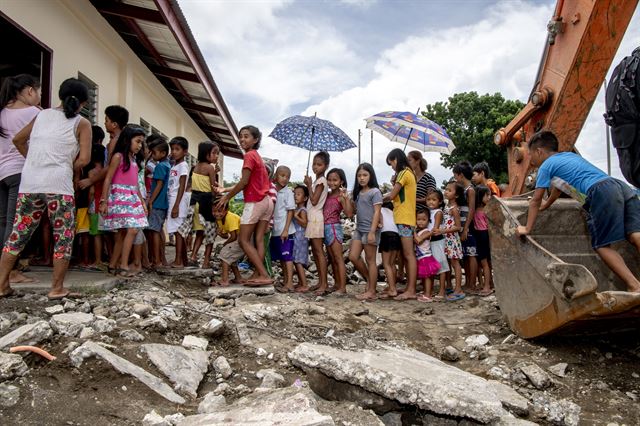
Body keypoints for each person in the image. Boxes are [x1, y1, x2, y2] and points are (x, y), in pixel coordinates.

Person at [0, 77, 91, 299]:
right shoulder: (82, 123)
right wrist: (67, 164)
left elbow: (18, 141)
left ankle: (2, 286)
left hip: (30, 183)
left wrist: (34, 161)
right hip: (58, 185)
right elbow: (85, 159)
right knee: (63, 235)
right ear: (83, 103)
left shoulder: (41, 114)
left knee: (17, 235)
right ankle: (57, 288)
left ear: (60, 96)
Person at [516, 130, 640, 293]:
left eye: (530, 155)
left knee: (602, 245)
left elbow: (535, 199)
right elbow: (558, 189)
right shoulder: (569, 157)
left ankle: (634, 285)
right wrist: (547, 206)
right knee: (635, 235)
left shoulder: (546, 165)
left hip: (601, 191)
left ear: (539, 151)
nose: (530, 160)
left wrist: (527, 228)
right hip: (620, 187)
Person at [216, 125, 274, 285]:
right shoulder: (257, 156)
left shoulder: (249, 155)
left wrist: (227, 196)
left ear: (255, 140)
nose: (242, 139)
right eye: (241, 136)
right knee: (259, 239)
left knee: (243, 240)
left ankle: (263, 274)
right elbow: (249, 182)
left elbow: (244, 182)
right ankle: (258, 273)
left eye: (246, 136)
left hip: (256, 202)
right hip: (267, 201)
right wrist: (226, 188)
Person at [0, 74, 41, 284]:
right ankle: (11, 272)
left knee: (3, 223)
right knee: (17, 224)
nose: (40, 96)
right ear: (30, 91)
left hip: (2, 173)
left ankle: (4, 270)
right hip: (20, 172)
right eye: (39, 91)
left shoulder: (2, 111)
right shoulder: (34, 113)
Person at [99, 125, 148, 277]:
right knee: (132, 229)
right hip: (119, 197)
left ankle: (113, 264)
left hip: (132, 197)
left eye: (141, 143)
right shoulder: (118, 157)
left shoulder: (133, 159)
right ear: (127, 140)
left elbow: (135, 184)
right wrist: (104, 200)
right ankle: (124, 265)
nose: (140, 146)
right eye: (137, 141)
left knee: (122, 233)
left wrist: (142, 202)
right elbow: (108, 179)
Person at [177, 141, 220, 269]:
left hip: (194, 203)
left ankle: (193, 256)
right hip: (206, 203)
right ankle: (206, 261)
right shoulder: (210, 168)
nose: (216, 156)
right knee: (210, 233)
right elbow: (213, 188)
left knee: (200, 232)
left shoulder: (195, 167)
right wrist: (215, 174)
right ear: (206, 154)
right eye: (214, 153)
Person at [383, 149, 417, 300]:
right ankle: (409, 287)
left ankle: (411, 290)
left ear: (396, 159)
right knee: (406, 255)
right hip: (405, 218)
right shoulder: (409, 173)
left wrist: (376, 198)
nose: (391, 167)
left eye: (391, 163)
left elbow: (392, 195)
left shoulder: (403, 173)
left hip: (404, 218)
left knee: (409, 255)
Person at [349, 163, 383, 301]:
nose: (362, 178)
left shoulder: (375, 192)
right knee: (353, 256)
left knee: (371, 261)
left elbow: (377, 212)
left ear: (371, 176)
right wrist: (346, 199)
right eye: (359, 176)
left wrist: (372, 232)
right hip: (359, 228)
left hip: (370, 230)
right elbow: (353, 211)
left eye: (365, 175)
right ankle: (369, 279)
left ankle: (372, 291)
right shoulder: (358, 193)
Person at [303, 151, 330, 294]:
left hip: (316, 218)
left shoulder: (321, 181)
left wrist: (308, 185)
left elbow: (313, 201)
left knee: (319, 252)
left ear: (325, 166)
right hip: (313, 217)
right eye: (314, 164)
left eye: (319, 164)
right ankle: (320, 282)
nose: (315, 167)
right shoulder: (317, 181)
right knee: (315, 251)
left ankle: (324, 284)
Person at [322, 168, 352, 295]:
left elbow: (349, 213)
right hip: (325, 228)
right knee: (331, 258)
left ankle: (343, 288)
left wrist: (345, 198)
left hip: (334, 228)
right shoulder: (327, 194)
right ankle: (337, 284)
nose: (331, 182)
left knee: (338, 258)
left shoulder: (341, 196)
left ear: (341, 182)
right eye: (329, 180)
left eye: (335, 180)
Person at [453, 161, 478, 293]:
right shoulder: (464, 190)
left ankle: (472, 284)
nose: (455, 178)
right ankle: (468, 282)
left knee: (471, 254)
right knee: (466, 255)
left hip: (468, 227)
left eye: (455, 175)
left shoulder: (471, 190)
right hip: (462, 227)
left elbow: (471, 210)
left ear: (461, 175)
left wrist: (466, 228)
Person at [271, 166, 296, 292]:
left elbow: (291, 211)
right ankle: (286, 281)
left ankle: (290, 283)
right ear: (276, 175)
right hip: (275, 229)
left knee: (287, 257)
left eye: (287, 177)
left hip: (285, 230)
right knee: (281, 258)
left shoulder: (288, 192)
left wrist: (286, 229)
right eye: (282, 175)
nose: (284, 179)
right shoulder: (272, 190)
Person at [146, 141, 170, 267]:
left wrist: (151, 200)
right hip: (163, 203)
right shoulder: (168, 165)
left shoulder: (160, 166)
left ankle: (157, 260)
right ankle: (161, 259)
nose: (152, 155)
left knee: (154, 231)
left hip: (157, 202)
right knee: (159, 230)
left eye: (154, 152)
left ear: (163, 153)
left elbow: (159, 184)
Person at [440, 181, 465, 301]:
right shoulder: (447, 207)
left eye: (449, 190)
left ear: (456, 195)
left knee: (456, 264)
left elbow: (458, 227)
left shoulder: (454, 209)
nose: (446, 191)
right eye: (446, 189)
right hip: (447, 239)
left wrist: (443, 231)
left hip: (452, 240)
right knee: (450, 263)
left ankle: (458, 289)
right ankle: (451, 286)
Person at [167, 137, 190, 268]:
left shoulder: (183, 166)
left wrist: (176, 205)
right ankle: (183, 260)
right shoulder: (175, 165)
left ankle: (178, 260)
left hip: (178, 200)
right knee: (177, 230)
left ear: (185, 151)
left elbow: (182, 185)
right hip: (173, 198)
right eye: (172, 149)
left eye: (177, 149)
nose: (174, 152)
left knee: (178, 231)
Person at [425, 189, 450, 299]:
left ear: (439, 202)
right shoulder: (429, 211)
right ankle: (431, 290)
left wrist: (422, 236)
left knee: (441, 266)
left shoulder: (438, 212)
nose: (431, 202)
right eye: (429, 199)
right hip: (430, 241)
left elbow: (435, 229)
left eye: (434, 200)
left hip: (437, 241)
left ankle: (442, 290)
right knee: (433, 265)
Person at [212, 203, 243, 286]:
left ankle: (225, 280)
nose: (216, 213)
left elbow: (234, 236)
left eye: (219, 211)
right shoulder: (219, 219)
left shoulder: (230, 217)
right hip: (238, 239)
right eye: (214, 211)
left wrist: (225, 244)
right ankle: (238, 278)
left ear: (226, 211)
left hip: (243, 239)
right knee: (230, 256)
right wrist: (219, 233)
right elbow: (226, 235)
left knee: (224, 255)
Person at [415, 210, 441, 302]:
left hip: (426, 257)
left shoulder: (426, 231)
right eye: (418, 219)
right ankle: (426, 292)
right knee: (425, 277)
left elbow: (418, 241)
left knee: (427, 277)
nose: (421, 221)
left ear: (428, 221)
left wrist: (412, 231)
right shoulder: (421, 231)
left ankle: (428, 295)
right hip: (422, 257)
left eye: (423, 219)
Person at [87, 143, 106, 268]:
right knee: (107, 234)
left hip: (95, 205)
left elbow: (92, 192)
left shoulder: (92, 172)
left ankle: (98, 260)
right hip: (105, 203)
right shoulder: (106, 170)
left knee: (96, 234)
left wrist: (89, 205)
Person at [474, 185, 494, 296]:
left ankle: (487, 286)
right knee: (486, 263)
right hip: (482, 235)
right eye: (487, 195)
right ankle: (489, 283)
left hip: (483, 235)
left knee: (484, 263)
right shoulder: (482, 210)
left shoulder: (482, 210)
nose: (489, 197)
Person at [378, 201, 400, 299]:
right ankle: (392, 286)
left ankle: (392, 289)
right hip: (396, 235)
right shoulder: (393, 213)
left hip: (386, 235)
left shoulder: (380, 210)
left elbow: (379, 223)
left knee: (386, 264)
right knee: (391, 264)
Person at [292, 184, 309, 292]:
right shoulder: (297, 209)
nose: (295, 196)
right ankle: (300, 282)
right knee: (295, 260)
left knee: (298, 261)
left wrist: (295, 216)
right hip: (297, 237)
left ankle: (304, 284)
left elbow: (304, 224)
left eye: (298, 194)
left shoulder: (302, 210)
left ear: (305, 198)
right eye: (295, 194)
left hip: (301, 238)